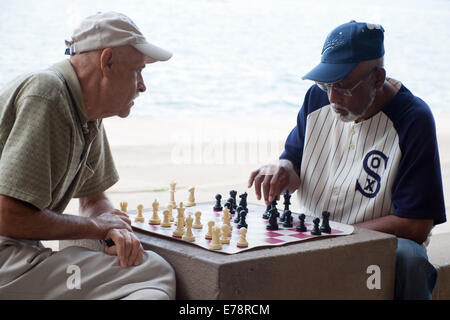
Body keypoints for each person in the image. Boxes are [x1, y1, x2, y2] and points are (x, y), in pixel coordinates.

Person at [248, 21, 446, 300]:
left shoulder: (413, 119)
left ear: (377, 79)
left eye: (343, 86)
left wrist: (337, 235)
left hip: (371, 247)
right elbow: (293, 167)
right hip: (313, 239)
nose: (332, 98)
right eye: (326, 84)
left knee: (409, 259)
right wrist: (281, 168)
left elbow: (416, 225)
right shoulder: (316, 98)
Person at [0, 12, 176, 299]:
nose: (143, 85)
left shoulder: (87, 110)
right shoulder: (47, 94)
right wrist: (97, 227)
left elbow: (94, 199)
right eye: (138, 70)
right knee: (153, 271)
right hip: (6, 260)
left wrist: (113, 228)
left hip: (16, 255)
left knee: (139, 271)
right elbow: (8, 217)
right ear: (107, 61)